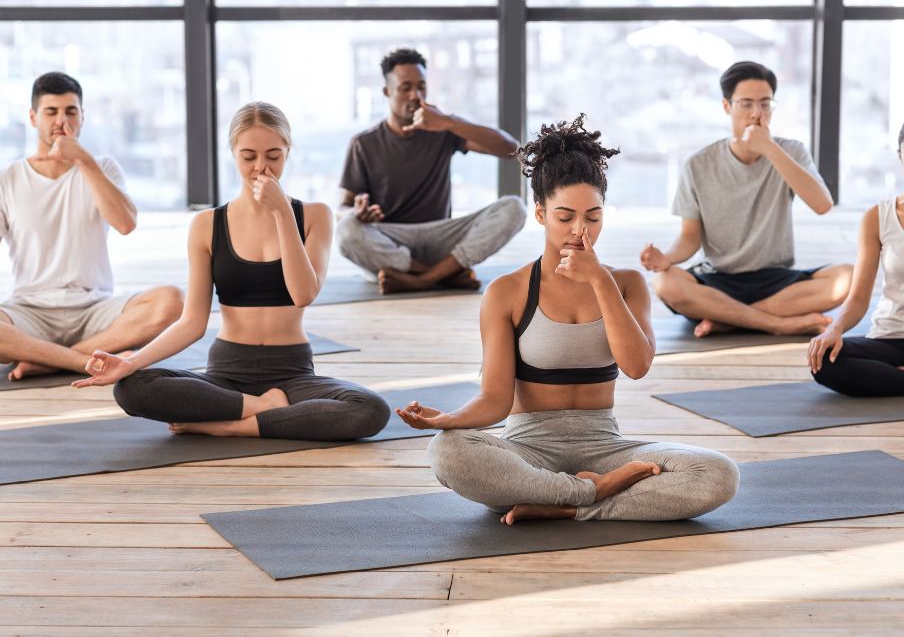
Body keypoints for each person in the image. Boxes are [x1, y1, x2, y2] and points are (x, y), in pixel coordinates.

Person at [396, 115, 739, 525]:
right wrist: (447, 420)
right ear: (540, 214)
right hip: (528, 451)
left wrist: (599, 280)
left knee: (718, 474)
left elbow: (636, 365)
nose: (581, 230)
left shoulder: (626, 284)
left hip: (605, 446)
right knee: (447, 451)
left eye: (593, 217)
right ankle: (595, 492)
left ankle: (567, 505)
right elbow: (495, 399)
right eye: (565, 217)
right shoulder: (507, 292)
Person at [73, 102, 390, 440]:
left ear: (288, 152)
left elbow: (303, 294)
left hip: (293, 373)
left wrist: (282, 212)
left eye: (273, 156)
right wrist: (131, 363)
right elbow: (192, 323)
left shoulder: (315, 216)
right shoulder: (207, 224)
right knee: (132, 388)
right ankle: (264, 410)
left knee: (370, 409)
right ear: (233, 154)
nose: (261, 168)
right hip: (227, 372)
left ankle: (233, 425)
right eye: (248, 156)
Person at [640, 61, 852, 337]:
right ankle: (776, 323)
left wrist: (769, 148)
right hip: (718, 277)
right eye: (746, 104)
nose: (756, 114)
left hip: (776, 278)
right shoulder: (698, 165)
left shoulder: (791, 151)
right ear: (727, 106)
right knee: (665, 283)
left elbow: (823, 205)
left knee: (847, 277)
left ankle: (725, 319)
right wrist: (665, 258)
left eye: (765, 104)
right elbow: (690, 236)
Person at [0, 72, 183, 380]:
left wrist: (84, 161)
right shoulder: (10, 178)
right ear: (33, 118)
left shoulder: (103, 167)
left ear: (83, 116)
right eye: (52, 111)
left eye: (71, 111)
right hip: (30, 310)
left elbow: (126, 223)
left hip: (94, 308)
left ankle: (46, 360)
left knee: (172, 301)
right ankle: (80, 360)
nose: (62, 120)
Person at [337, 47, 526, 294]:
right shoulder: (363, 143)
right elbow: (342, 209)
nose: (415, 95)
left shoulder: (443, 128)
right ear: (387, 92)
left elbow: (510, 149)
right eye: (405, 88)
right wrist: (357, 212)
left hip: (441, 237)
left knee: (514, 208)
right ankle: (446, 274)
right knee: (346, 230)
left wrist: (448, 121)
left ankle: (422, 279)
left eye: (421, 86)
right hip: (391, 241)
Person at [807, 115, 904, 396]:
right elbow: (857, 299)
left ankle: (898, 379)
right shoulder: (877, 217)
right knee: (826, 360)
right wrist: (834, 329)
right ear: (901, 157)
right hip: (894, 338)